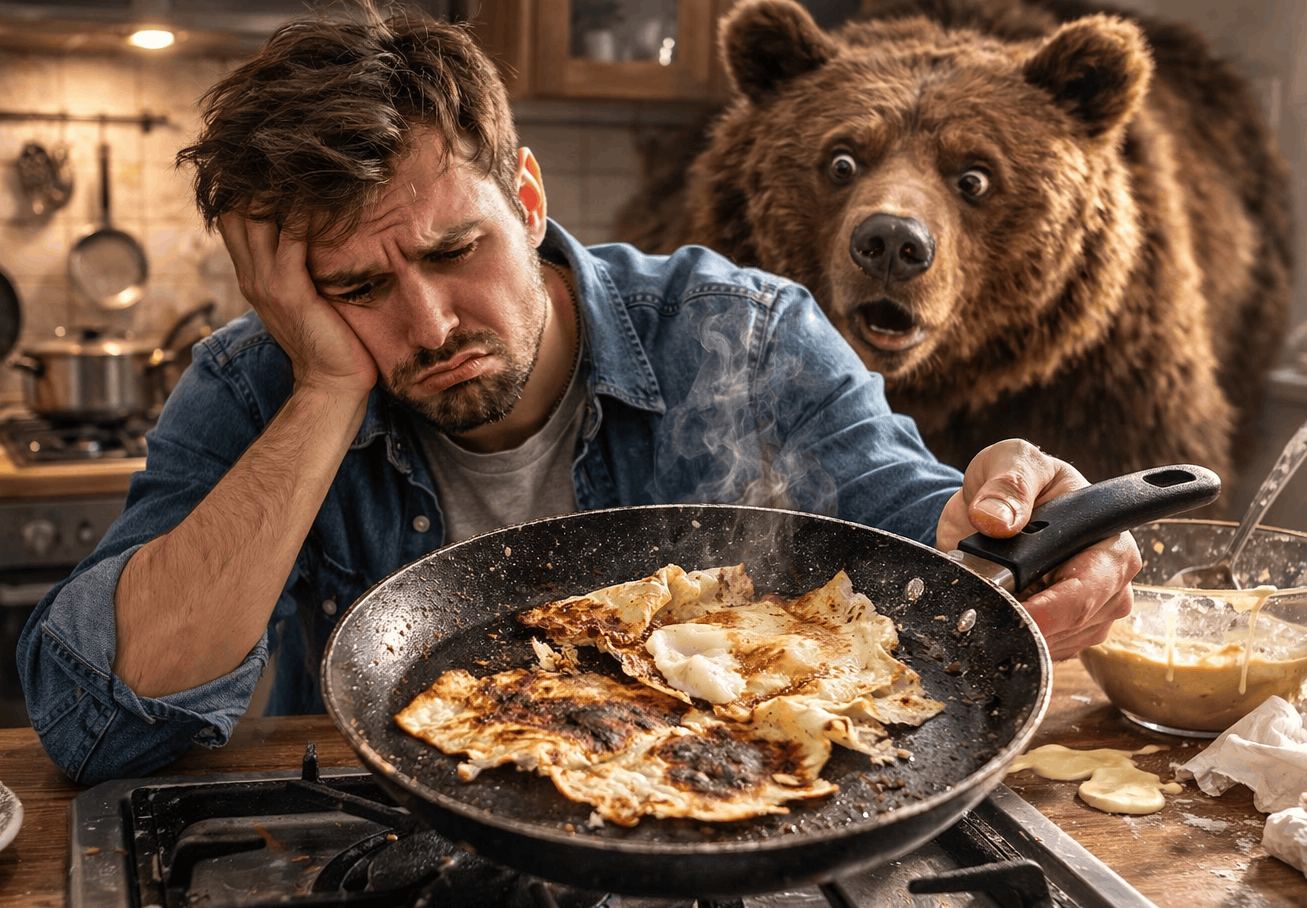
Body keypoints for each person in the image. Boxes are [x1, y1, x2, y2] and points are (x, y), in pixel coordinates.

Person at [17, 1, 1139, 785]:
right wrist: (321, 383)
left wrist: (1021, 527)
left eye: (456, 249)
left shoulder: (742, 332)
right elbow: (95, 729)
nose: (429, 324)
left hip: (719, 827)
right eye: (356, 286)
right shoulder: (251, 380)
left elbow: (920, 530)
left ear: (527, 193)